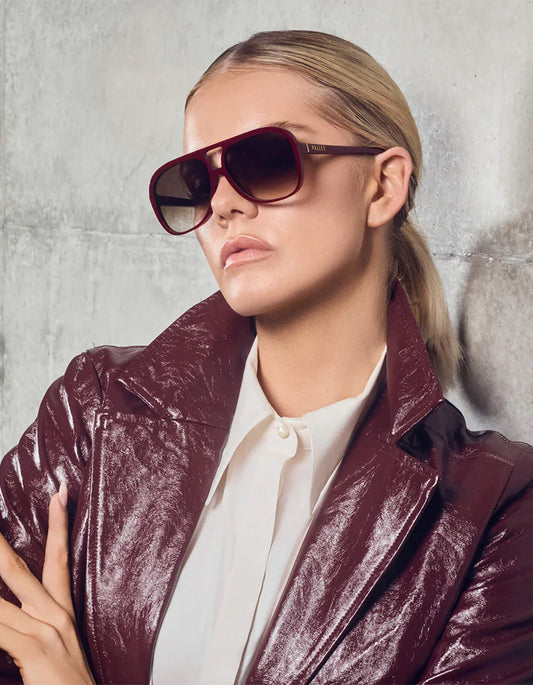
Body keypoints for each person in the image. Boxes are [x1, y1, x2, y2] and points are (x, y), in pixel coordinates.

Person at [0, 29, 532, 685]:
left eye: (265, 161)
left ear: (381, 185)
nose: (223, 204)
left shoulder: (496, 508)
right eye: (196, 182)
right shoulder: (94, 411)